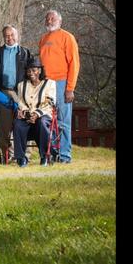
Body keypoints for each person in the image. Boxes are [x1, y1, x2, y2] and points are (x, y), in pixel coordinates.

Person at [38, 9, 80, 163]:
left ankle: (65, 155)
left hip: (62, 82)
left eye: (53, 18)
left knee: (63, 120)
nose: (49, 21)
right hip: (46, 84)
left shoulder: (67, 37)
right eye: (47, 18)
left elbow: (74, 64)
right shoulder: (43, 39)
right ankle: (52, 153)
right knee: (48, 119)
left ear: (60, 21)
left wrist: (70, 88)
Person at [0, 25, 30, 162]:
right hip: (3, 92)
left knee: (23, 119)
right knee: (4, 123)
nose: (10, 38)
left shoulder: (25, 53)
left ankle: (23, 154)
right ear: (3, 37)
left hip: (21, 92)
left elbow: (31, 74)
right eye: (7, 35)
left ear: (17, 36)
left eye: (12, 35)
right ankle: (6, 155)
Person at [11, 55, 56, 167]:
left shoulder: (49, 83)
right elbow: (21, 102)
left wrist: (37, 114)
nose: (31, 72)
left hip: (43, 115)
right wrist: (26, 113)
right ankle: (21, 158)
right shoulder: (22, 85)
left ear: (39, 70)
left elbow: (50, 103)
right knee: (17, 124)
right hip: (28, 115)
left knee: (41, 122)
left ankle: (45, 155)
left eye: (34, 70)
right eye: (28, 70)